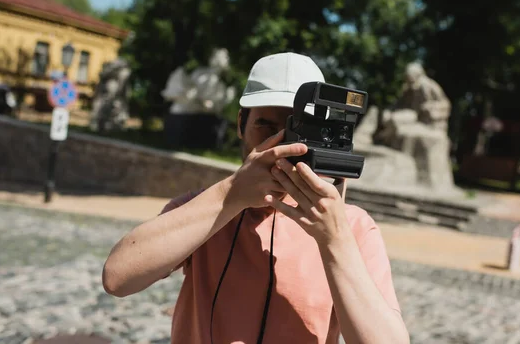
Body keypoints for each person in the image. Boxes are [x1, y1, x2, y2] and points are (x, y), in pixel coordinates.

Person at [102, 52, 409, 344]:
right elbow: (118, 278)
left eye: (297, 129)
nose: (280, 145)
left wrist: (335, 239)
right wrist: (232, 195)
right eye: (266, 126)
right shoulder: (204, 206)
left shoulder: (352, 226)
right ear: (240, 124)